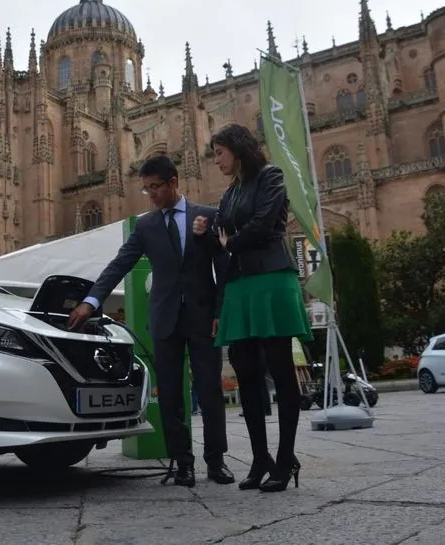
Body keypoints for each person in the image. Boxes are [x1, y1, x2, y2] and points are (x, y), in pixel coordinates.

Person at [66, 155, 234, 488]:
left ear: (173, 182)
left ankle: (216, 462)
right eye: (146, 189)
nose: (151, 194)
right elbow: (119, 264)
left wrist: (220, 312)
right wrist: (91, 300)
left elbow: (223, 267)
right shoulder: (146, 226)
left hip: (203, 318)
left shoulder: (207, 216)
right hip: (165, 318)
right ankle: (182, 463)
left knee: (210, 391)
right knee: (169, 394)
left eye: (155, 187)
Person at [192, 122, 313, 493]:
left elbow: (263, 225)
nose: (216, 160)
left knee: (280, 368)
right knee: (245, 372)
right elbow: (221, 240)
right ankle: (261, 459)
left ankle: (285, 457)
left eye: (219, 153)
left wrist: (229, 241)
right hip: (240, 285)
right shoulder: (230, 193)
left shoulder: (270, 176)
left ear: (237, 149)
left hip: (271, 279)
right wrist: (204, 233)